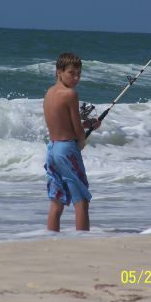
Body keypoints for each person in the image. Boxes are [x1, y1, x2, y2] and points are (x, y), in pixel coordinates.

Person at [43, 53, 100, 232]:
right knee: (81, 200)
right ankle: (82, 241)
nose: (76, 78)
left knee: (57, 200)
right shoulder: (70, 94)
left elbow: (63, 123)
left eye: (79, 74)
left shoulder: (50, 93)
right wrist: (82, 140)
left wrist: (89, 123)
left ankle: (50, 238)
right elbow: (76, 128)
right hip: (67, 149)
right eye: (71, 73)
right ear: (59, 71)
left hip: (52, 148)